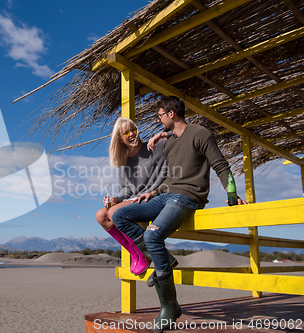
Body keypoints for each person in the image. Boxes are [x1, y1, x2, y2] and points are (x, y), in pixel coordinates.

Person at [112, 96, 247, 333]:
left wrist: (232, 193)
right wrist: (152, 192)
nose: (158, 121)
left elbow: (221, 165)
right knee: (119, 216)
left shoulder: (200, 133)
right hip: (165, 195)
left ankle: (169, 307)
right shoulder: (171, 142)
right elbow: (169, 179)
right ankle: (164, 259)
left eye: (159, 116)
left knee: (153, 236)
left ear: (170, 114)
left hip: (187, 198)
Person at [95, 117, 168, 275]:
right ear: (120, 139)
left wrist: (161, 135)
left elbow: (176, 135)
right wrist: (116, 200)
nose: (131, 134)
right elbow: (126, 191)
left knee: (113, 213)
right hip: (134, 199)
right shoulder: (124, 160)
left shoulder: (155, 145)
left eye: (133, 130)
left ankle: (143, 253)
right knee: (101, 215)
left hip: (154, 196)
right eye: (126, 133)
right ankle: (136, 253)